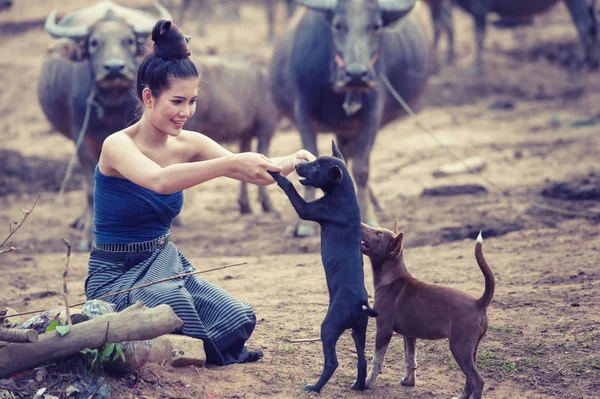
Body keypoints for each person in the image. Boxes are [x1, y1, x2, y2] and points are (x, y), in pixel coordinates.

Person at [84, 19, 315, 366]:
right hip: (116, 275)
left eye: (192, 101)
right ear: (149, 96)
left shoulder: (190, 142)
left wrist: (295, 161)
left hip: (164, 264)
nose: (186, 113)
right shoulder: (116, 146)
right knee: (172, 303)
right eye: (177, 101)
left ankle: (185, 344)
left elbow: (258, 172)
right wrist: (229, 164)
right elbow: (161, 181)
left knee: (238, 316)